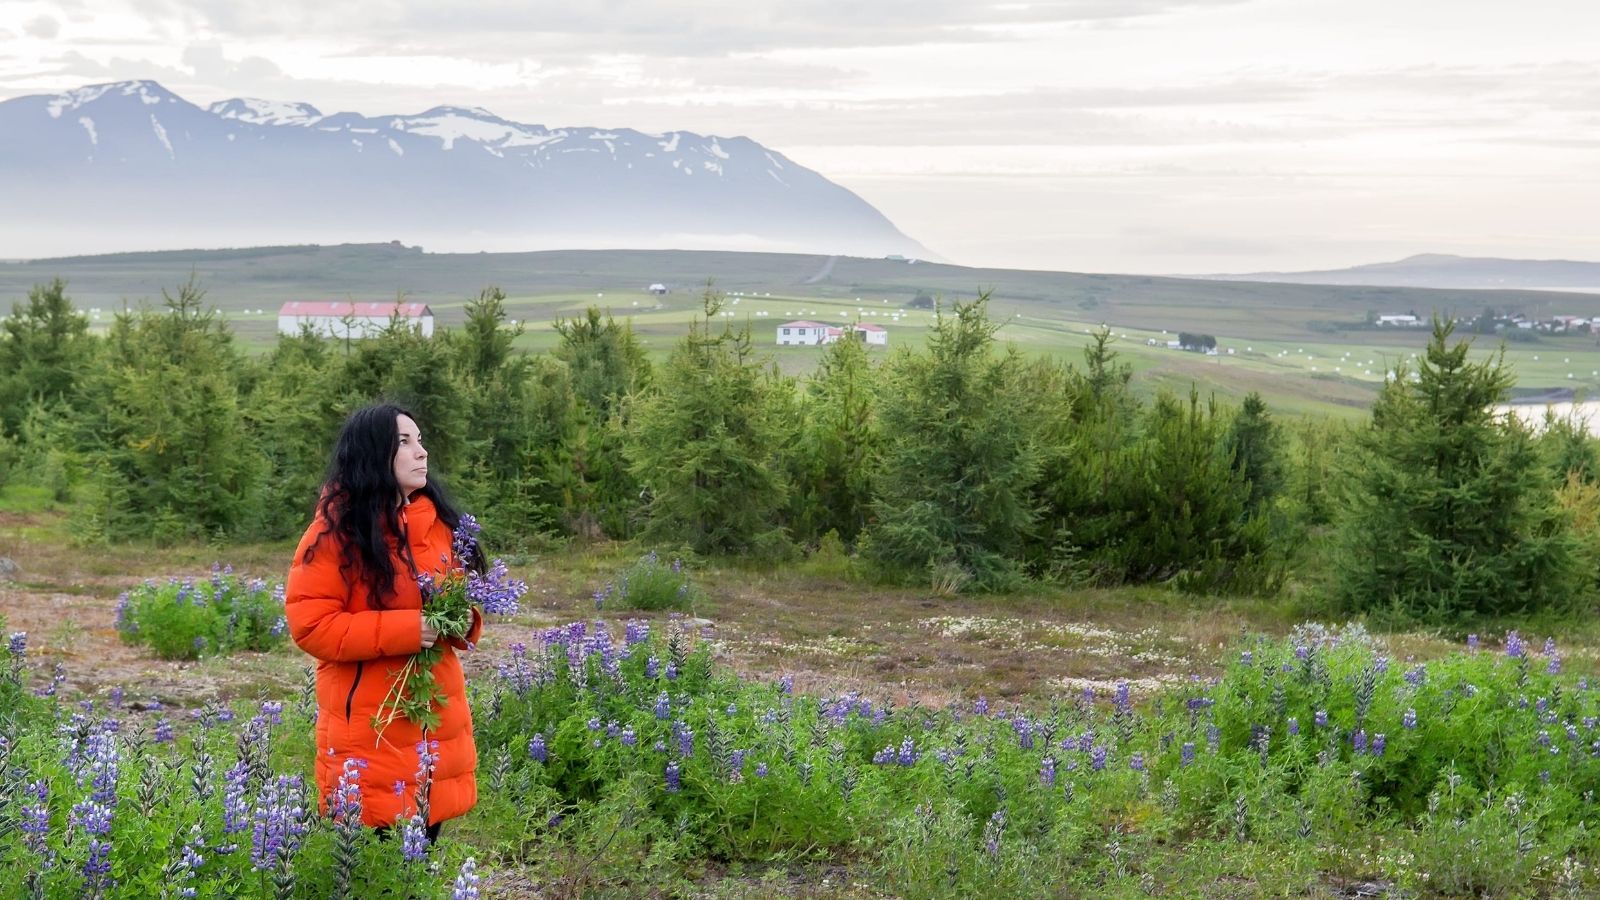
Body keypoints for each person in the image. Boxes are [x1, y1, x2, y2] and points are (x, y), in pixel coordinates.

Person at [285, 403, 483, 840]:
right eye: (405, 443)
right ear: (375, 455)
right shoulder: (336, 533)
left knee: (420, 863)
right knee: (375, 869)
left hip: (433, 722)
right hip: (371, 735)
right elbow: (311, 625)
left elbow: (463, 607)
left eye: (421, 441)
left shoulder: (439, 528)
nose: (422, 452)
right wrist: (410, 630)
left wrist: (462, 620)